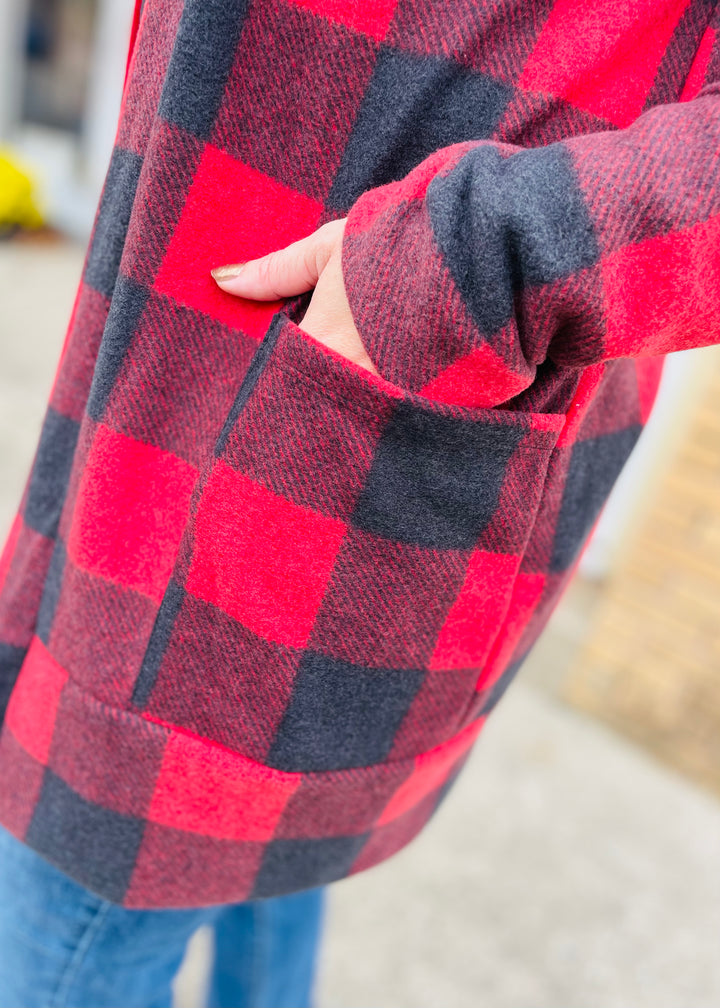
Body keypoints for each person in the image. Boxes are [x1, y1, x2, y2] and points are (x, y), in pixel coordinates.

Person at [0, 0, 718, 1004]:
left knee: (89, 895)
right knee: (260, 836)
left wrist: (463, 261)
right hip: (172, 370)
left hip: (392, 386)